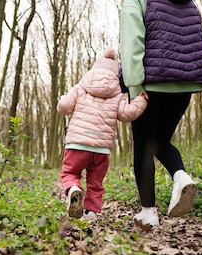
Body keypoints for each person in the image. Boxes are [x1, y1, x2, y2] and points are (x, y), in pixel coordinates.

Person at [119, 0, 202, 230]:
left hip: (151, 84)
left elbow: (132, 47)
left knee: (143, 147)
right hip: (184, 84)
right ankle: (181, 176)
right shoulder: (187, 0)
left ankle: (148, 211)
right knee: (159, 140)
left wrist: (135, 88)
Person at [58, 48, 148, 221]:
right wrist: (141, 100)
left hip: (77, 143)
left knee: (70, 173)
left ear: (94, 69)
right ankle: (91, 213)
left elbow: (64, 108)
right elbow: (127, 114)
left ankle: (73, 189)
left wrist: (63, 98)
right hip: (101, 149)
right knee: (95, 183)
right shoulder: (118, 93)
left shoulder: (81, 87)